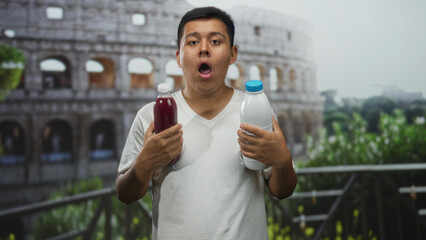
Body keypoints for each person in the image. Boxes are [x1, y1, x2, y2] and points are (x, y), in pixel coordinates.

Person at [116, 6, 297, 239]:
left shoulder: (254, 109)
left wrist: (282, 161)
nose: (203, 49)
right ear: (179, 57)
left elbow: (282, 190)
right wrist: (144, 163)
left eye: (215, 41)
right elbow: (125, 194)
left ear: (233, 54)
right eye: (192, 42)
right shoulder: (150, 116)